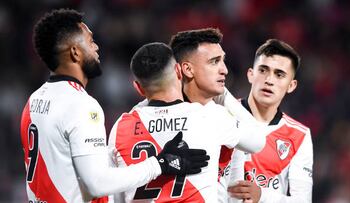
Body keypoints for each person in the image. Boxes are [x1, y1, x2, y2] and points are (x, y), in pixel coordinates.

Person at [20, 9, 210, 203]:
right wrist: (160, 163)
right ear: (75, 52)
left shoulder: (34, 101)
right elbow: (97, 183)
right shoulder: (80, 105)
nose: (96, 47)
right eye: (90, 41)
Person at [108, 42, 265, 202]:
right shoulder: (210, 116)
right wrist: (224, 96)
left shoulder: (121, 127)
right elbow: (258, 141)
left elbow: (114, 193)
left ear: (138, 88)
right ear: (178, 71)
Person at [217, 39, 313, 202]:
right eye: (263, 70)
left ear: (291, 85)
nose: (269, 80)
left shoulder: (299, 135)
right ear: (250, 75)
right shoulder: (221, 114)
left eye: (279, 74)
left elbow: (302, 200)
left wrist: (262, 196)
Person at [169, 28, 244, 203]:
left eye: (223, 61)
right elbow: (257, 140)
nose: (224, 70)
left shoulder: (224, 118)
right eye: (214, 61)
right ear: (187, 69)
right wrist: (226, 97)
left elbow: (235, 188)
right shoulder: (220, 118)